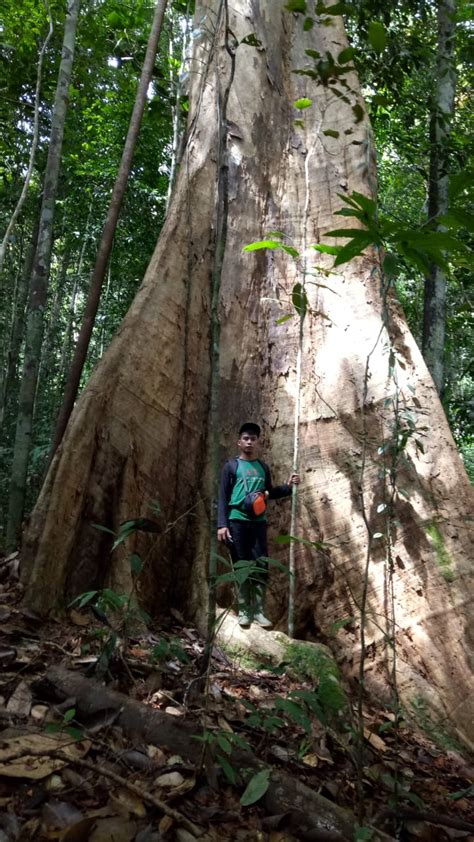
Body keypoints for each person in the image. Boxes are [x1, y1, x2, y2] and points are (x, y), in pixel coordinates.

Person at [217, 422, 300, 628]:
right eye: (246, 438)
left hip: (258, 523)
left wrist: (288, 487)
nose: (249, 442)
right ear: (239, 442)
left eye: (253, 439)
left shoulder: (263, 468)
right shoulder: (231, 466)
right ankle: (245, 610)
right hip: (237, 521)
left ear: (258, 443)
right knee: (241, 564)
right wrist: (222, 525)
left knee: (261, 565)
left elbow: (269, 492)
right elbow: (223, 496)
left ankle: (259, 611)